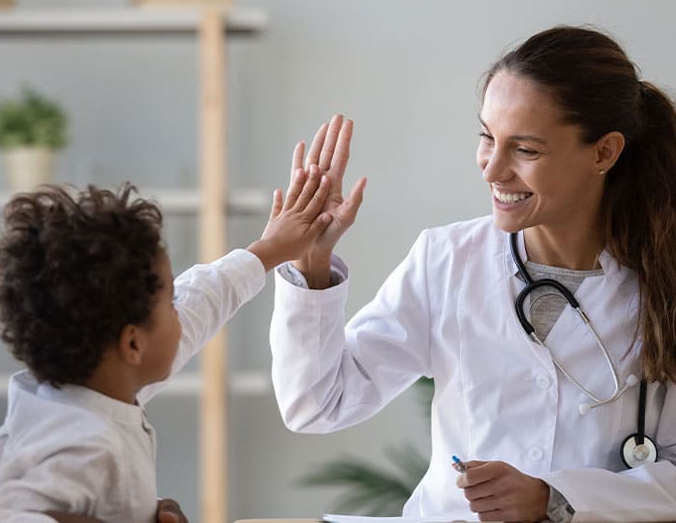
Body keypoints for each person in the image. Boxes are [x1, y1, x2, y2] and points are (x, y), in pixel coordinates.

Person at [269, 26, 676, 522]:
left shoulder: (662, 277)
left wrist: (557, 498)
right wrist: (310, 263)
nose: (491, 169)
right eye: (487, 137)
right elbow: (318, 405)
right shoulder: (447, 261)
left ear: (603, 153)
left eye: (525, 150)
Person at [0, 166, 334, 523]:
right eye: (170, 302)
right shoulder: (75, 445)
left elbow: (200, 303)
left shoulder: (91, 388)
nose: (181, 313)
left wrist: (267, 251)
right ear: (132, 344)